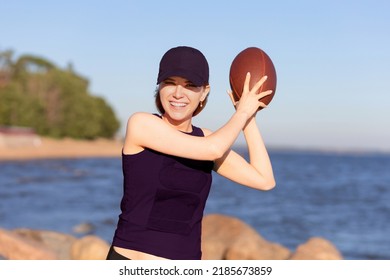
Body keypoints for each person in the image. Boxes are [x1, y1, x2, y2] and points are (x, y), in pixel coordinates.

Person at [106, 46, 275, 260]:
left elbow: (264, 180)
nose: (178, 93)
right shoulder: (142, 124)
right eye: (170, 83)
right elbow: (213, 149)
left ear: (204, 92)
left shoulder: (207, 139)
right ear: (159, 87)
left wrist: (249, 116)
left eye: (190, 85)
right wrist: (242, 112)